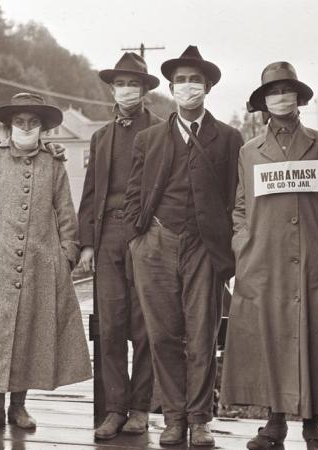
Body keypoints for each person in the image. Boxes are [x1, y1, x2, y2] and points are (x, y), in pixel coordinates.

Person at [221, 62, 318, 450]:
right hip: (265, 261)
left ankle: (313, 425)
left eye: (288, 89)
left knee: (314, 336)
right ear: (263, 101)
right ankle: (275, 423)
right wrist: (242, 246)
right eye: (274, 91)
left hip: (315, 260)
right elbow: (241, 206)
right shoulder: (249, 152)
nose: (281, 97)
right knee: (272, 338)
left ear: (299, 98)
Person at [0, 93, 92, 434]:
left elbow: (65, 211)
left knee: (27, 332)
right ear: (9, 127)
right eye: (19, 123)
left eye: (33, 122)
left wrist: (67, 252)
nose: (26, 127)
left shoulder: (53, 163)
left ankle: (19, 408)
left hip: (40, 261)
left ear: (42, 128)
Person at [124, 45, 244, 447]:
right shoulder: (149, 138)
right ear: (171, 88)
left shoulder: (228, 138)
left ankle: (201, 419)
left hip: (204, 248)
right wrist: (138, 241)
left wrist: (225, 248)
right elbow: (133, 194)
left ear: (207, 86)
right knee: (162, 335)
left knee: (203, 334)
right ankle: (173, 418)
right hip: (156, 242)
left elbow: (235, 198)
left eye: (195, 80)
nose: (187, 87)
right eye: (180, 81)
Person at [77, 52, 161, 440]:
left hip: (146, 235)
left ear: (145, 90)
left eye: (134, 84)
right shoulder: (100, 136)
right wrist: (88, 245)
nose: (127, 90)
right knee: (109, 326)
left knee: (145, 326)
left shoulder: (162, 131)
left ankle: (141, 408)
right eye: (121, 84)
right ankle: (114, 408)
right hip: (108, 235)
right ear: (112, 89)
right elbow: (91, 193)